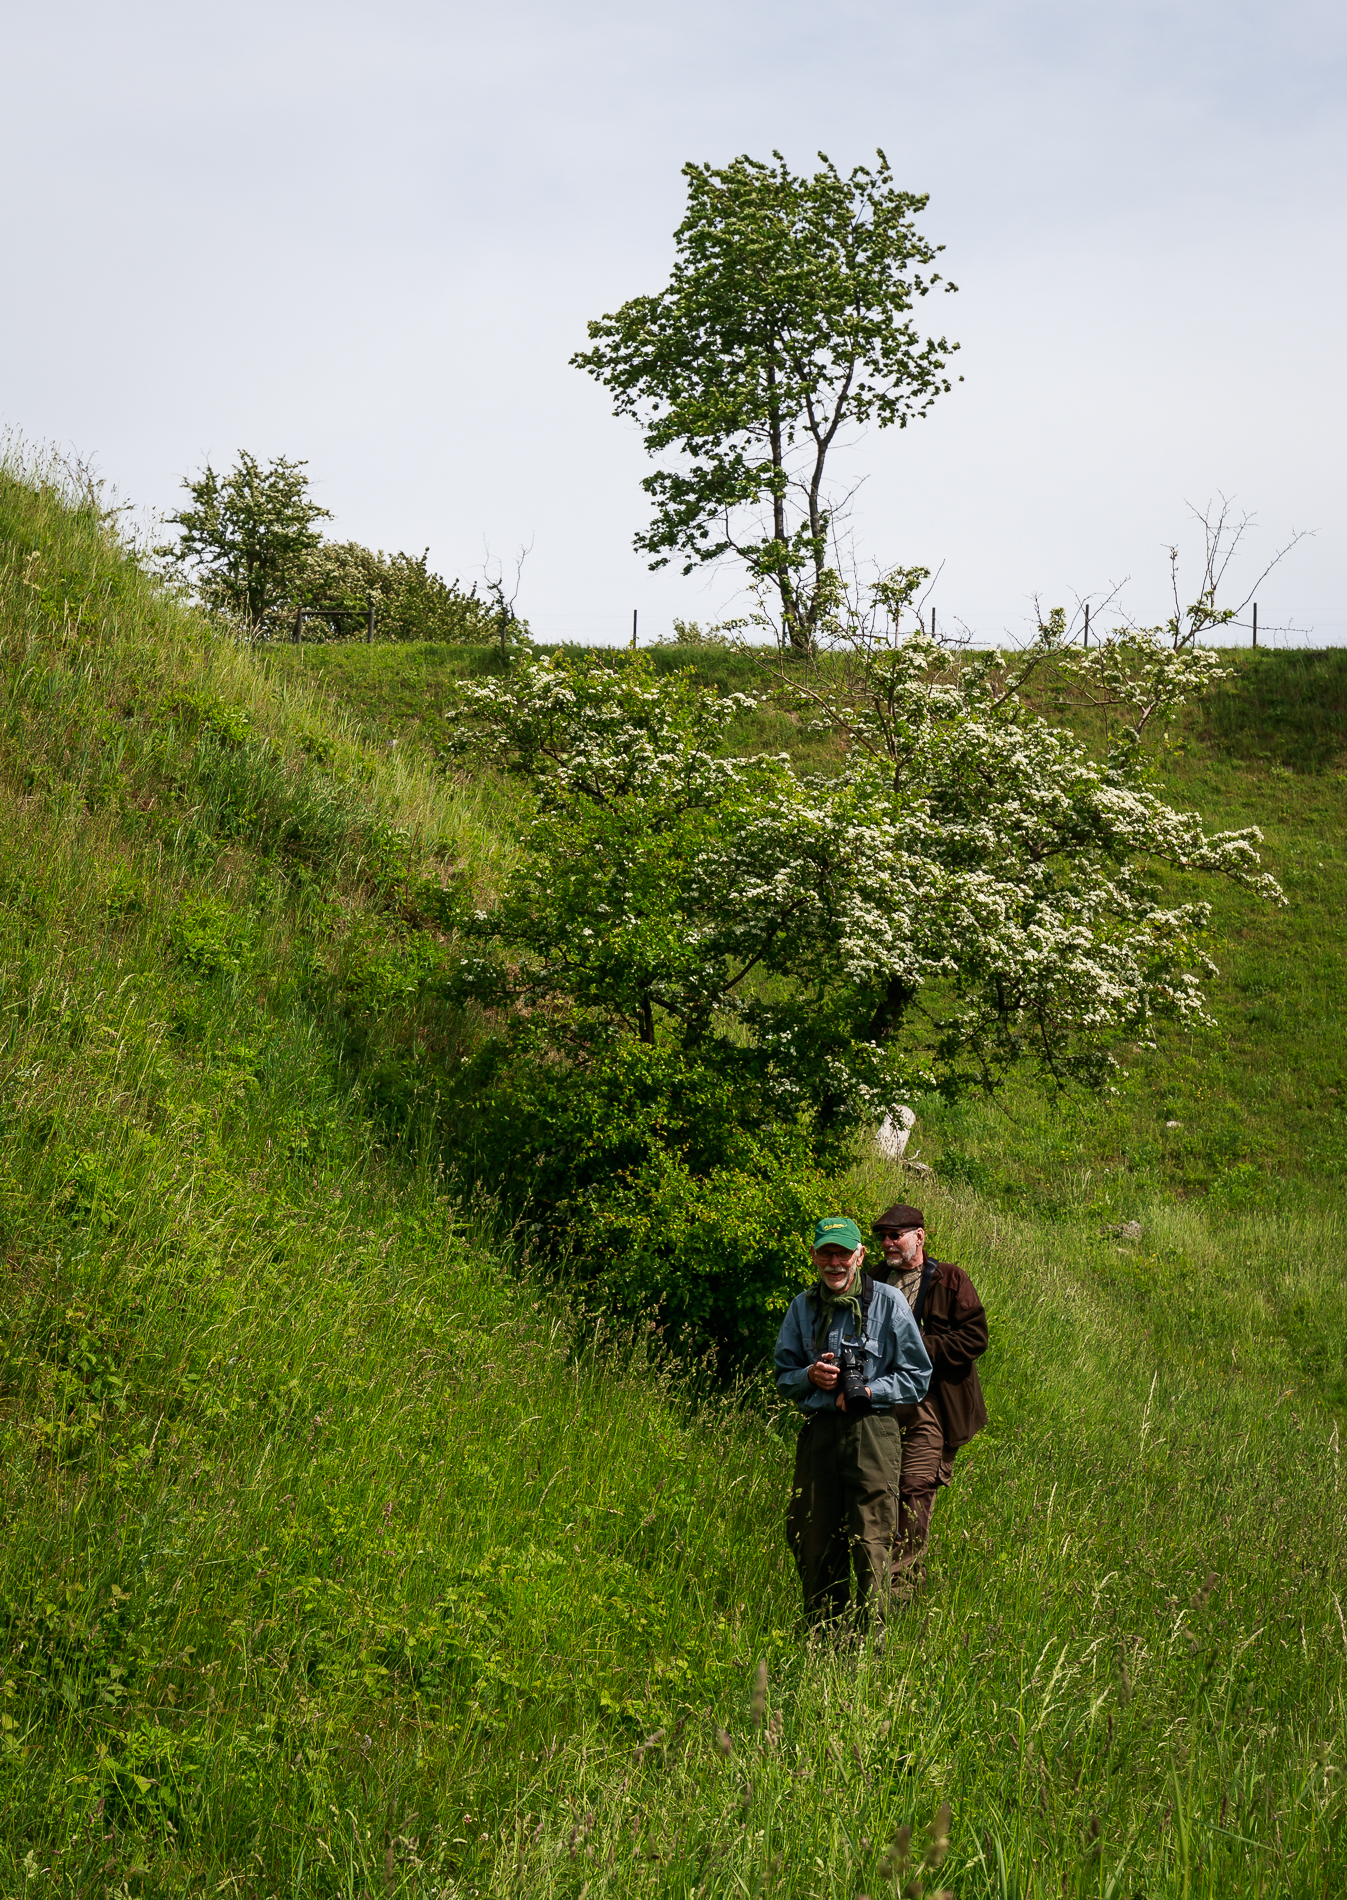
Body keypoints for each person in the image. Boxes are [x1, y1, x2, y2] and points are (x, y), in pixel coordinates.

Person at [774, 1215, 932, 1630]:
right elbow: (782, 1376)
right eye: (826, 1253)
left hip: (873, 1432)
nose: (834, 1262)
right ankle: (823, 1636)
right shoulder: (801, 1307)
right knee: (812, 1538)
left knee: (872, 1540)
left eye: (843, 1253)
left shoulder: (888, 1302)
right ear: (813, 1256)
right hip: (820, 1433)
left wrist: (869, 1391)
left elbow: (918, 1376)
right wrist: (810, 1376)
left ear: (859, 1256)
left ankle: (870, 1645)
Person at [868, 1202, 988, 1597]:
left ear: (919, 1236)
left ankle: (899, 1593)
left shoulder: (950, 1280)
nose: (887, 1243)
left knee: (915, 1490)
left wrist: (920, 1345)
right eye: (882, 1236)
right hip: (882, 1400)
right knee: (874, 1486)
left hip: (933, 1405)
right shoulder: (873, 1280)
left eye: (895, 1235)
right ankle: (870, 1581)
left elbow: (975, 1338)